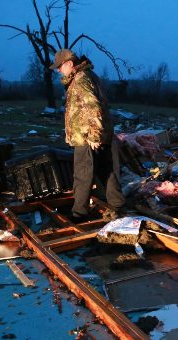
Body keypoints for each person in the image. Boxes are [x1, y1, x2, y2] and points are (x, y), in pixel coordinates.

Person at [50, 48, 125, 220]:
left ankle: (79, 213)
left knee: (82, 175)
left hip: (86, 137)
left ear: (69, 63)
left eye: (59, 66)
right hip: (100, 134)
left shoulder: (80, 79)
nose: (58, 70)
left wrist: (93, 136)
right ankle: (117, 204)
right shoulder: (90, 76)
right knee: (106, 170)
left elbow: (94, 108)